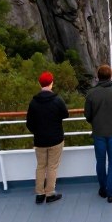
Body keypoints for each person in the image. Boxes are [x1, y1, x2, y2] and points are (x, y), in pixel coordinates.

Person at [83, 63, 112, 203]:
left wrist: (95, 122)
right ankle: (111, 192)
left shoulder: (91, 93)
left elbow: (87, 115)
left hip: (99, 132)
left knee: (100, 162)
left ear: (98, 76)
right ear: (111, 76)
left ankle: (102, 189)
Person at [26, 71, 69, 204]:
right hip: (55, 139)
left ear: (40, 84)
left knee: (40, 166)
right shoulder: (57, 100)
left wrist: (37, 132)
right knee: (52, 167)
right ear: (51, 83)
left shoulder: (34, 102)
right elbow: (65, 114)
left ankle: (39, 194)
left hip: (40, 140)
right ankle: (50, 194)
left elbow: (29, 123)